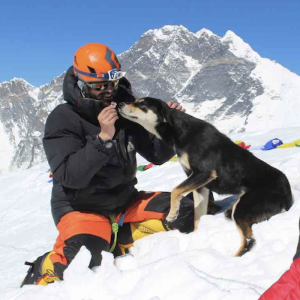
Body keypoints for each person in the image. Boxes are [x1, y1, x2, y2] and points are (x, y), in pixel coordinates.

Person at [21, 43, 218, 287]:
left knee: (193, 210)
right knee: (81, 265)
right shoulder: (63, 119)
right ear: (82, 84)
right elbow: (69, 177)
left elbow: (156, 155)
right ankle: (47, 265)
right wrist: (103, 138)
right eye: (99, 86)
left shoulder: (126, 108)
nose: (108, 91)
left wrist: (170, 130)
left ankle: (119, 238)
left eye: (112, 84)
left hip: (125, 202)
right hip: (80, 208)